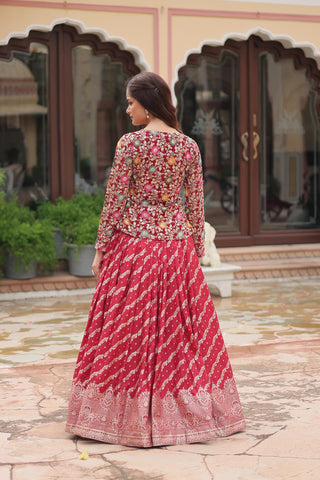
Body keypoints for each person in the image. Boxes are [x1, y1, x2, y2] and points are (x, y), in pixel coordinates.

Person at [65, 72, 245, 447]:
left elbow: (114, 200)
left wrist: (100, 249)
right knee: (182, 338)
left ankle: (119, 417)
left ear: (147, 104)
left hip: (135, 248)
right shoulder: (188, 147)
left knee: (126, 332)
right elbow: (196, 207)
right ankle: (183, 414)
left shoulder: (130, 144)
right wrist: (196, 254)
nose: (127, 108)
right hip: (176, 249)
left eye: (131, 102)